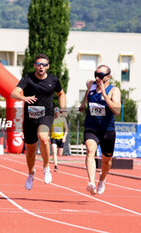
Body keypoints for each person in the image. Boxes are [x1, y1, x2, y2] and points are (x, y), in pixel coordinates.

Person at [10, 54, 66, 190]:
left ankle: (46, 167)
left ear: (48, 67)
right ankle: (31, 173)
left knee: (43, 138)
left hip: (46, 114)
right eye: (39, 64)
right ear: (35, 65)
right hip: (30, 117)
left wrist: (63, 110)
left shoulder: (53, 80)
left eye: (44, 64)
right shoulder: (28, 79)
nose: (41, 67)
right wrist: (24, 98)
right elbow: (13, 93)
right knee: (30, 150)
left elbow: (61, 94)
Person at [79, 65, 121, 195]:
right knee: (90, 150)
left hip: (107, 129)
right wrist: (84, 103)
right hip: (92, 127)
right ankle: (91, 182)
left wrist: (105, 96)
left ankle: (102, 179)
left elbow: (117, 111)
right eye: (95, 75)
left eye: (101, 76)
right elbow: (87, 92)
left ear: (108, 77)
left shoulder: (114, 90)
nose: (97, 78)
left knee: (106, 161)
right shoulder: (90, 84)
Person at [50, 107, 68, 172]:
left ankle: (57, 157)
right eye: (55, 112)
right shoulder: (52, 120)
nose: (57, 114)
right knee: (54, 151)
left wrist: (64, 136)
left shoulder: (63, 119)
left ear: (59, 113)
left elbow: (66, 129)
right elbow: (49, 129)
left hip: (61, 138)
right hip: (54, 137)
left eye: (58, 112)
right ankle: (55, 166)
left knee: (60, 153)